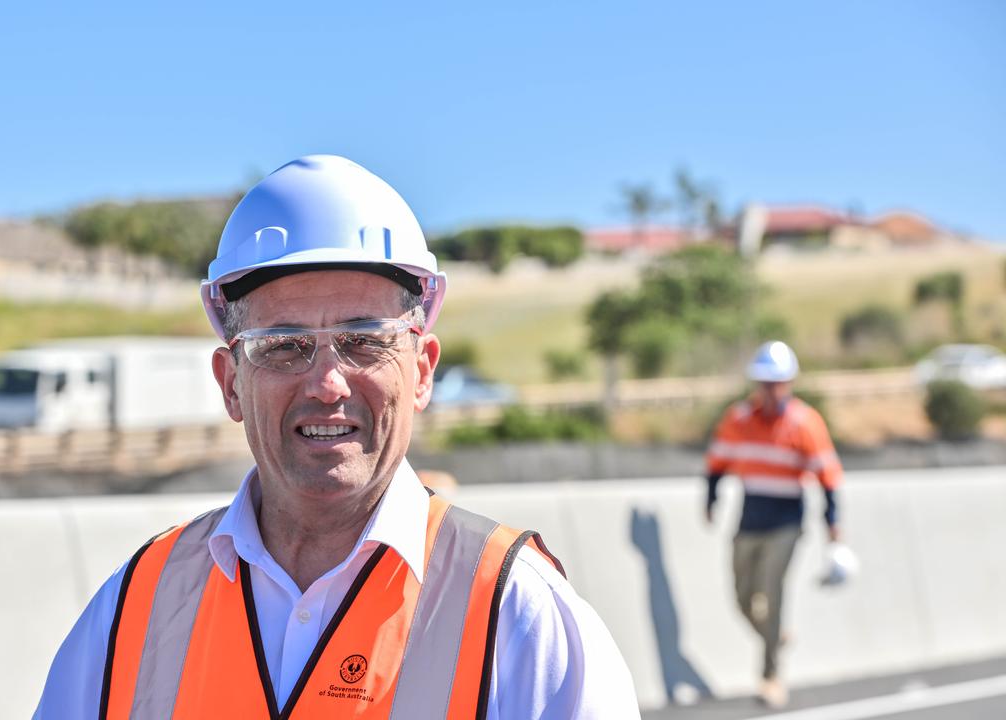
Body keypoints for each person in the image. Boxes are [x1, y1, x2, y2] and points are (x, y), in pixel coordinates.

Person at [34, 155, 640, 718]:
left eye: (365, 341)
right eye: (284, 346)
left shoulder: (517, 612)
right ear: (230, 385)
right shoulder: (135, 607)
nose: (327, 383)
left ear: (422, 370)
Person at [704, 340, 843, 709]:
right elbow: (717, 463)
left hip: (786, 521)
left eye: (778, 382)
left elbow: (827, 476)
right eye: (765, 382)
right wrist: (711, 499)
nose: (771, 390)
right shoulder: (739, 419)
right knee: (742, 597)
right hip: (749, 519)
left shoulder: (804, 422)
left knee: (772, 589)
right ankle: (773, 635)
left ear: (790, 383)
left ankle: (770, 675)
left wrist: (833, 525)